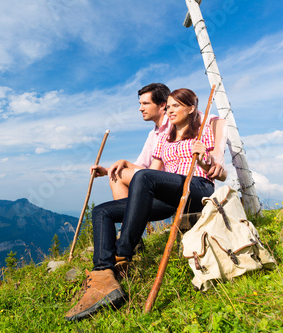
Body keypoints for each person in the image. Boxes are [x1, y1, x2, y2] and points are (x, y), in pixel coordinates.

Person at [65, 88, 227, 321]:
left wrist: (205, 160)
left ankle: (123, 254)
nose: (170, 111)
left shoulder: (208, 125)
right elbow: (152, 174)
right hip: (170, 194)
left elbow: (219, 172)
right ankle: (103, 275)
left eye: (175, 106)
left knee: (143, 178)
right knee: (102, 211)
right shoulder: (165, 136)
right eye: (168, 106)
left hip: (197, 187)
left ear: (191, 108)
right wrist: (112, 168)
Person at [92, 83, 227, 200]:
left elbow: (218, 121)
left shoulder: (179, 120)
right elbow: (144, 169)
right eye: (140, 104)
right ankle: (126, 222)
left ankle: (131, 222)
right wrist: (107, 170)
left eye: (145, 103)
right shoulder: (154, 135)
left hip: (186, 182)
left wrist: (218, 153)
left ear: (162, 106)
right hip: (159, 179)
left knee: (134, 177)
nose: (140, 108)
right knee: (116, 175)